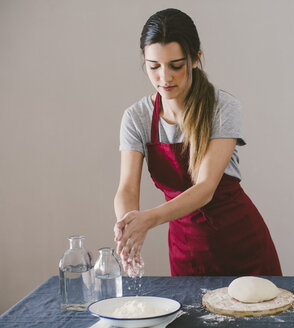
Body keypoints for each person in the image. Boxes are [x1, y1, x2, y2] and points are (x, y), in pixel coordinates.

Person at [113, 8, 282, 276]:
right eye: (153, 67)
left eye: (176, 66)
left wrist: (148, 219)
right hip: (186, 250)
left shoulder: (223, 107)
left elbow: (205, 189)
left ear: (195, 59)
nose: (164, 78)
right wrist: (128, 225)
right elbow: (127, 190)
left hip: (242, 245)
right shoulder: (137, 118)